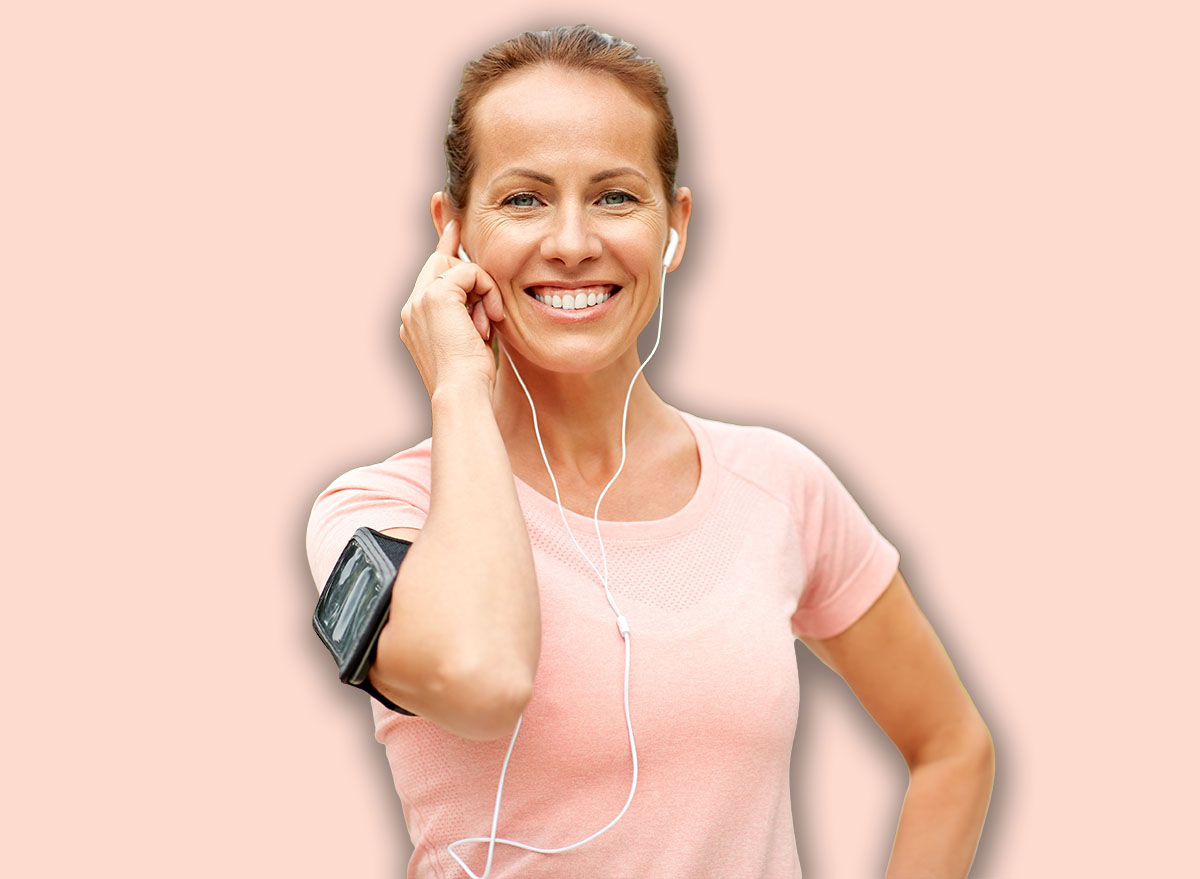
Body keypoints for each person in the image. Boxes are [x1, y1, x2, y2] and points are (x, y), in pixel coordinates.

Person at [306, 25, 993, 879]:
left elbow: (951, 746)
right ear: (451, 231)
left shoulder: (777, 485)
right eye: (523, 198)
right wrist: (455, 385)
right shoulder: (378, 513)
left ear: (676, 222)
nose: (570, 241)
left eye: (615, 197)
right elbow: (481, 680)